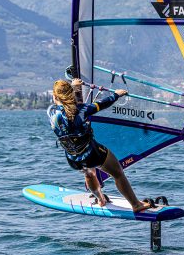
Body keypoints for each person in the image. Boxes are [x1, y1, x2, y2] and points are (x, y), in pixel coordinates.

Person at [47, 79, 151, 213]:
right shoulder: (82, 110)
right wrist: (116, 95)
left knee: (89, 173)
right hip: (92, 153)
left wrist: (73, 88)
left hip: (73, 158)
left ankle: (100, 199)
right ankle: (136, 205)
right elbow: (101, 104)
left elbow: (68, 108)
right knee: (118, 173)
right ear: (70, 94)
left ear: (55, 97)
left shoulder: (51, 112)